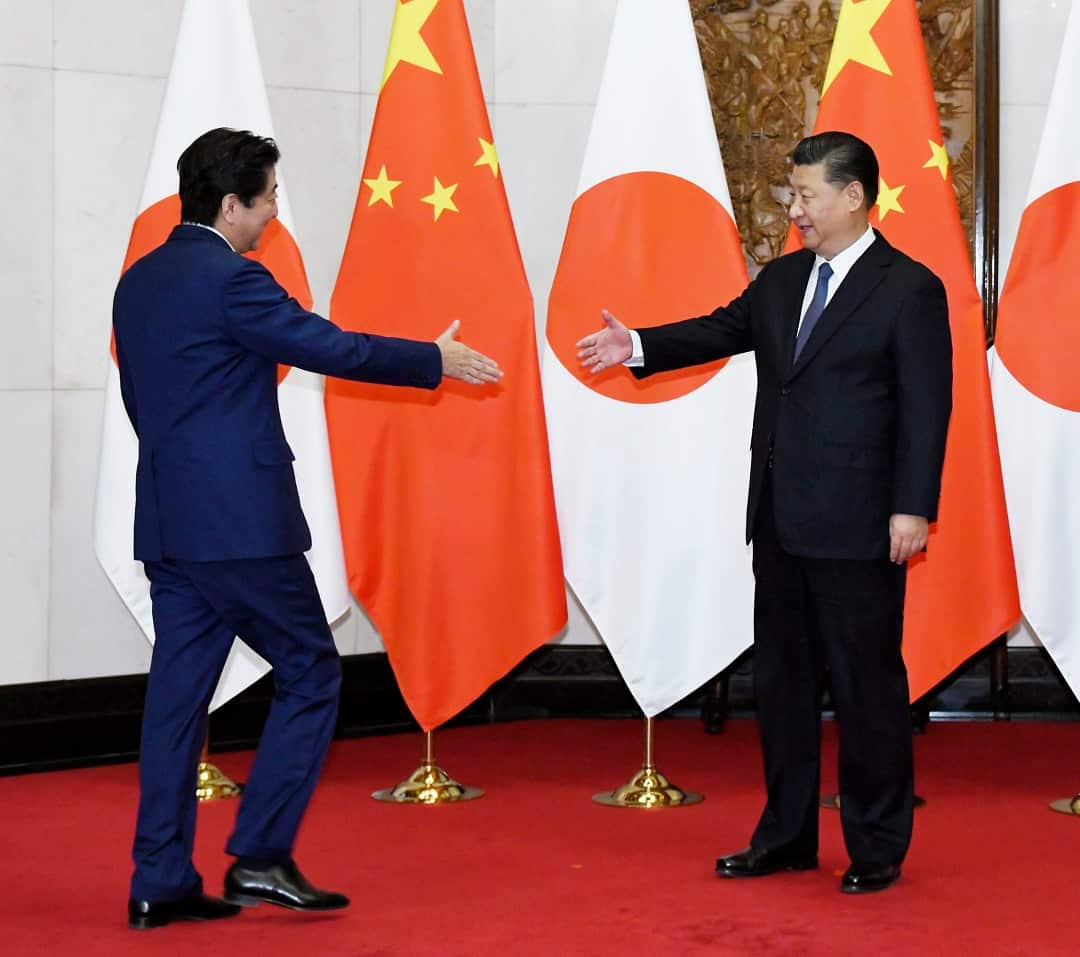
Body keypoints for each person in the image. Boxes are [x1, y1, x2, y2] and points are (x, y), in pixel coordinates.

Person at [116, 128, 502, 930]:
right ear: (230, 204)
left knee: (177, 703)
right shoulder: (233, 281)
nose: (273, 210)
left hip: (169, 522)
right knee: (313, 670)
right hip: (242, 529)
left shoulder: (139, 281)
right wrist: (433, 358)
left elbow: (144, 402)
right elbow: (328, 345)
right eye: (268, 198)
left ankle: (159, 879)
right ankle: (259, 853)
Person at [577, 132, 952, 894]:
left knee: (866, 688)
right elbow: (721, 328)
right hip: (779, 518)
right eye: (793, 193)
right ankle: (785, 835)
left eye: (808, 194)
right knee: (781, 688)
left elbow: (926, 407)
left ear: (854, 196)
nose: (797, 209)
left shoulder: (910, 288)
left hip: (860, 525)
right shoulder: (782, 281)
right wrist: (638, 343)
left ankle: (876, 843)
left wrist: (913, 506)